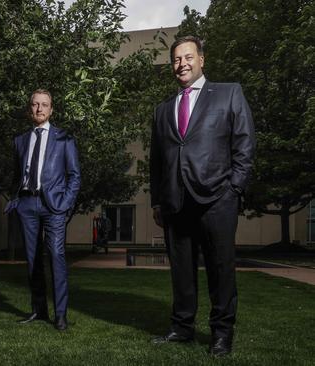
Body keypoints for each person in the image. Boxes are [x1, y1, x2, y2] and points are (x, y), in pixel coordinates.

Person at [149, 36, 255, 356]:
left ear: (202, 60)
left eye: (188, 57)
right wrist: (157, 200)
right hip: (175, 201)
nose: (182, 63)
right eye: (176, 59)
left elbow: (245, 144)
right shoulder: (162, 110)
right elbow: (157, 160)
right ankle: (182, 327)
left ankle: (222, 333)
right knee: (181, 270)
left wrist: (234, 188)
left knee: (220, 269)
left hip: (217, 198)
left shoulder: (229, 93)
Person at [10, 89, 80, 331]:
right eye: (35, 104)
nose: (39, 109)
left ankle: (60, 314)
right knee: (32, 260)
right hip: (27, 205)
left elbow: (74, 176)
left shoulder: (64, 138)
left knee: (57, 256)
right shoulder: (19, 141)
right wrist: (16, 199)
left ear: (51, 109)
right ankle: (39, 310)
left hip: (54, 206)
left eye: (44, 105)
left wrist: (64, 203)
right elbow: (16, 176)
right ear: (29, 108)